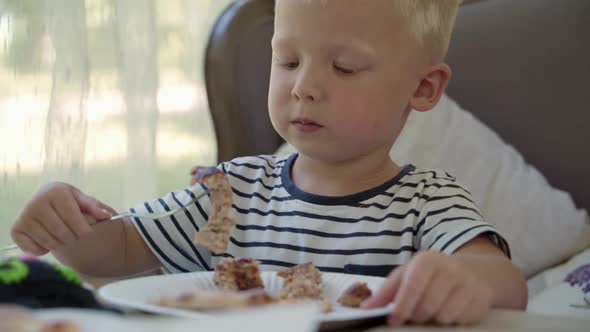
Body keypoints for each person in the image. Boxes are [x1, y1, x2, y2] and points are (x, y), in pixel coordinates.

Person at [11, 0, 527, 326]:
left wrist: (467, 280)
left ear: (422, 87)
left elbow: (503, 279)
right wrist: (66, 220)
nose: (303, 86)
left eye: (343, 67)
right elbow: (117, 253)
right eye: (288, 61)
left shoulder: (428, 200)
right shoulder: (229, 192)